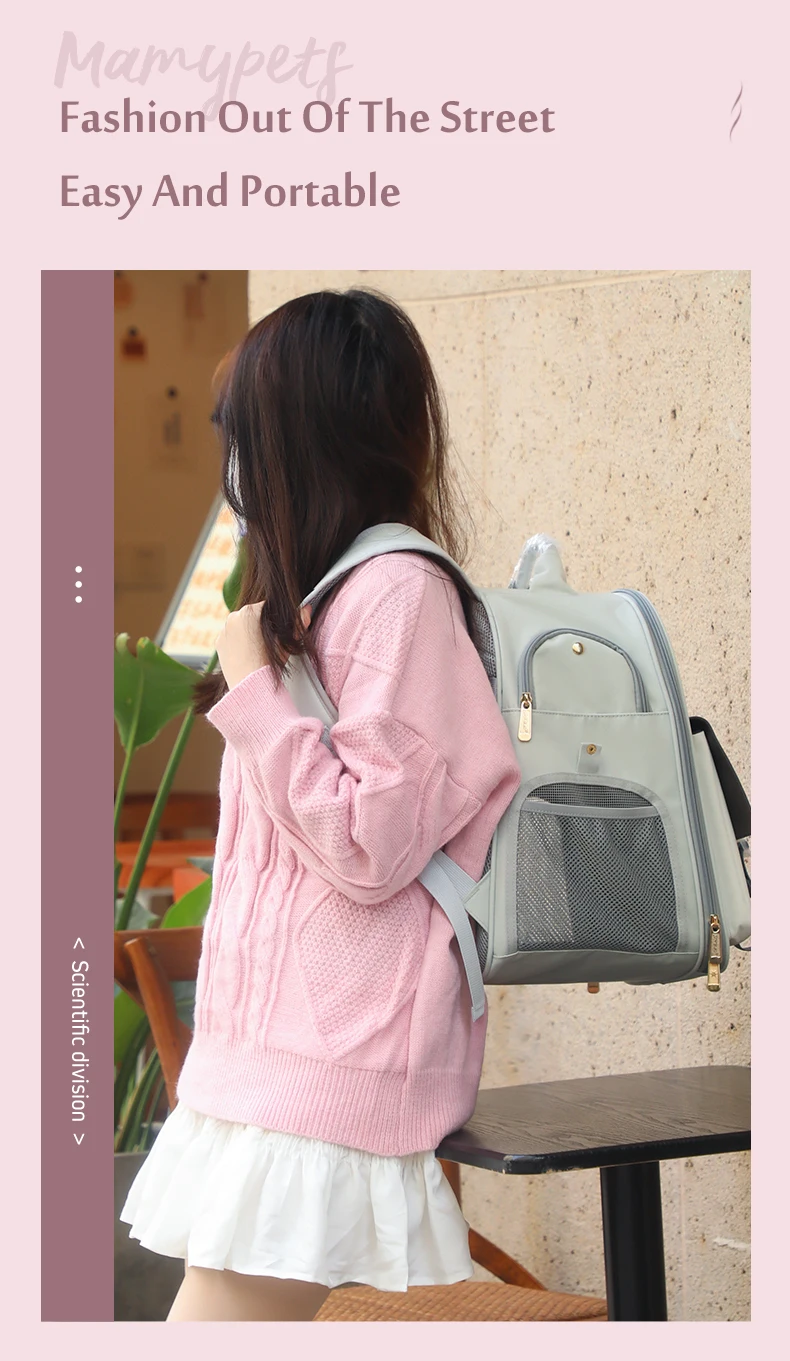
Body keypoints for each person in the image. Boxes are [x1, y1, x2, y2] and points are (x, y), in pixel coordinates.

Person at [120, 288, 522, 1321]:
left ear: (298, 436)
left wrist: (255, 689)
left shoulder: (396, 593)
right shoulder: (333, 596)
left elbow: (367, 842)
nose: (233, 465)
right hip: (272, 1075)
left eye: (243, 433)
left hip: (327, 1079)